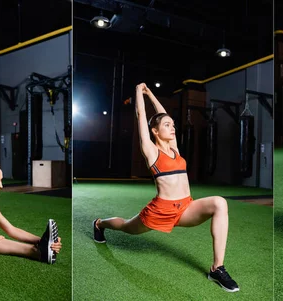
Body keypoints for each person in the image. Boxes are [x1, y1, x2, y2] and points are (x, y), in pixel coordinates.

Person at [92, 83, 239, 292]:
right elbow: (141, 116)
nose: (172, 128)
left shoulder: (175, 148)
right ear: (155, 131)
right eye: (167, 126)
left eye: (173, 125)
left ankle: (217, 268)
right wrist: (138, 92)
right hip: (160, 211)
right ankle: (99, 224)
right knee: (126, 227)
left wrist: (151, 93)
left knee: (219, 203)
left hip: (186, 208)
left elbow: (162, 114)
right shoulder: (151, 151)